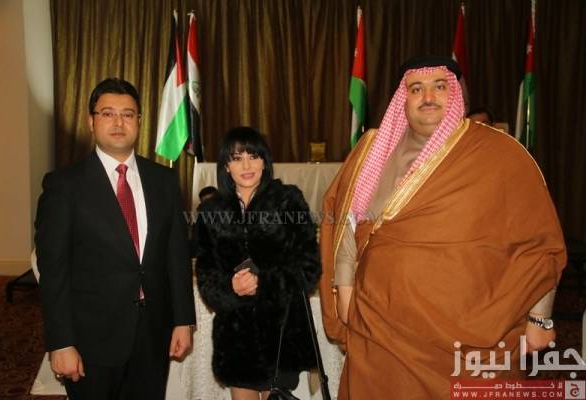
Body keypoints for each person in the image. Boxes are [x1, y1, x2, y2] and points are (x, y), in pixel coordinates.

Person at [319, 56, 566, 399]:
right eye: (416, 89)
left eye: (439, 87)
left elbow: (539, 243)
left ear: (456, 93)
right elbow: (346, 220)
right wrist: (345, 291)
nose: (428, 97)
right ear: (402, 98)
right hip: (379, 329)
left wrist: (540, 320)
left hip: (470, 335)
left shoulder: (499, 154)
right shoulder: (372, 150)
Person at [34, 78, 196, 400]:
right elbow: (53, 271)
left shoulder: (164, 180)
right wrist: (61, 342)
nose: (118, 122)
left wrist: (183, 320)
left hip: (152, 335)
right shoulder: (64, 186)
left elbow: (176, 256)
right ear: (91, 121)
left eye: (128, 114)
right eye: (108, 113)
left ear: (139, 121)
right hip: (91, 340)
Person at [195, 127, 320, 400]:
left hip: (281, 332)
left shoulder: (288, 201)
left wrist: (264, 283)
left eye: (253, 156)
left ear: (265, 161)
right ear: (226, 166)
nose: (246, 165)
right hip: (237, 337)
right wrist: (231, 288)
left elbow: (309, 268)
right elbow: (206, 276)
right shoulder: (211, 212)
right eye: (237, 158)